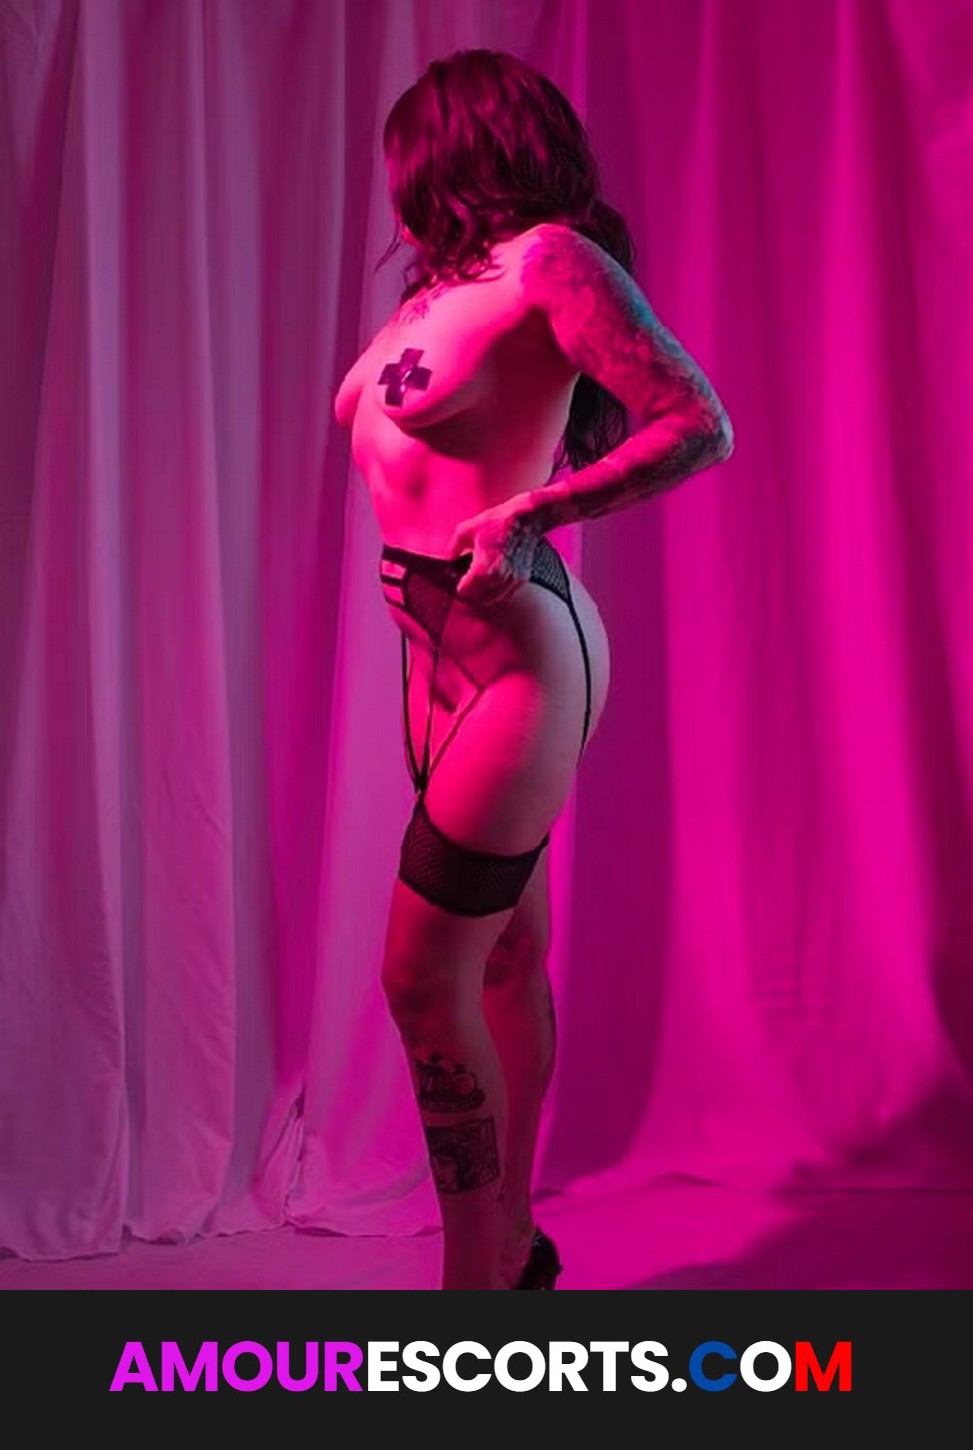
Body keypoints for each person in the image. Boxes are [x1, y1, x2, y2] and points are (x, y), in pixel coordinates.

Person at [333, 48, 733, 1290]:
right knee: (502, 955)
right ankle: (512, 1240)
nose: (395, 189)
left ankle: (478, 1282)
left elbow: (697, 422)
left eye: (406, 162)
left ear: (453, 154)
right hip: (433, 659)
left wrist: (537, 509)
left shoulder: (551, 259)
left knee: (422, 977)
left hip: (516, 654)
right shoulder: (436, 294)